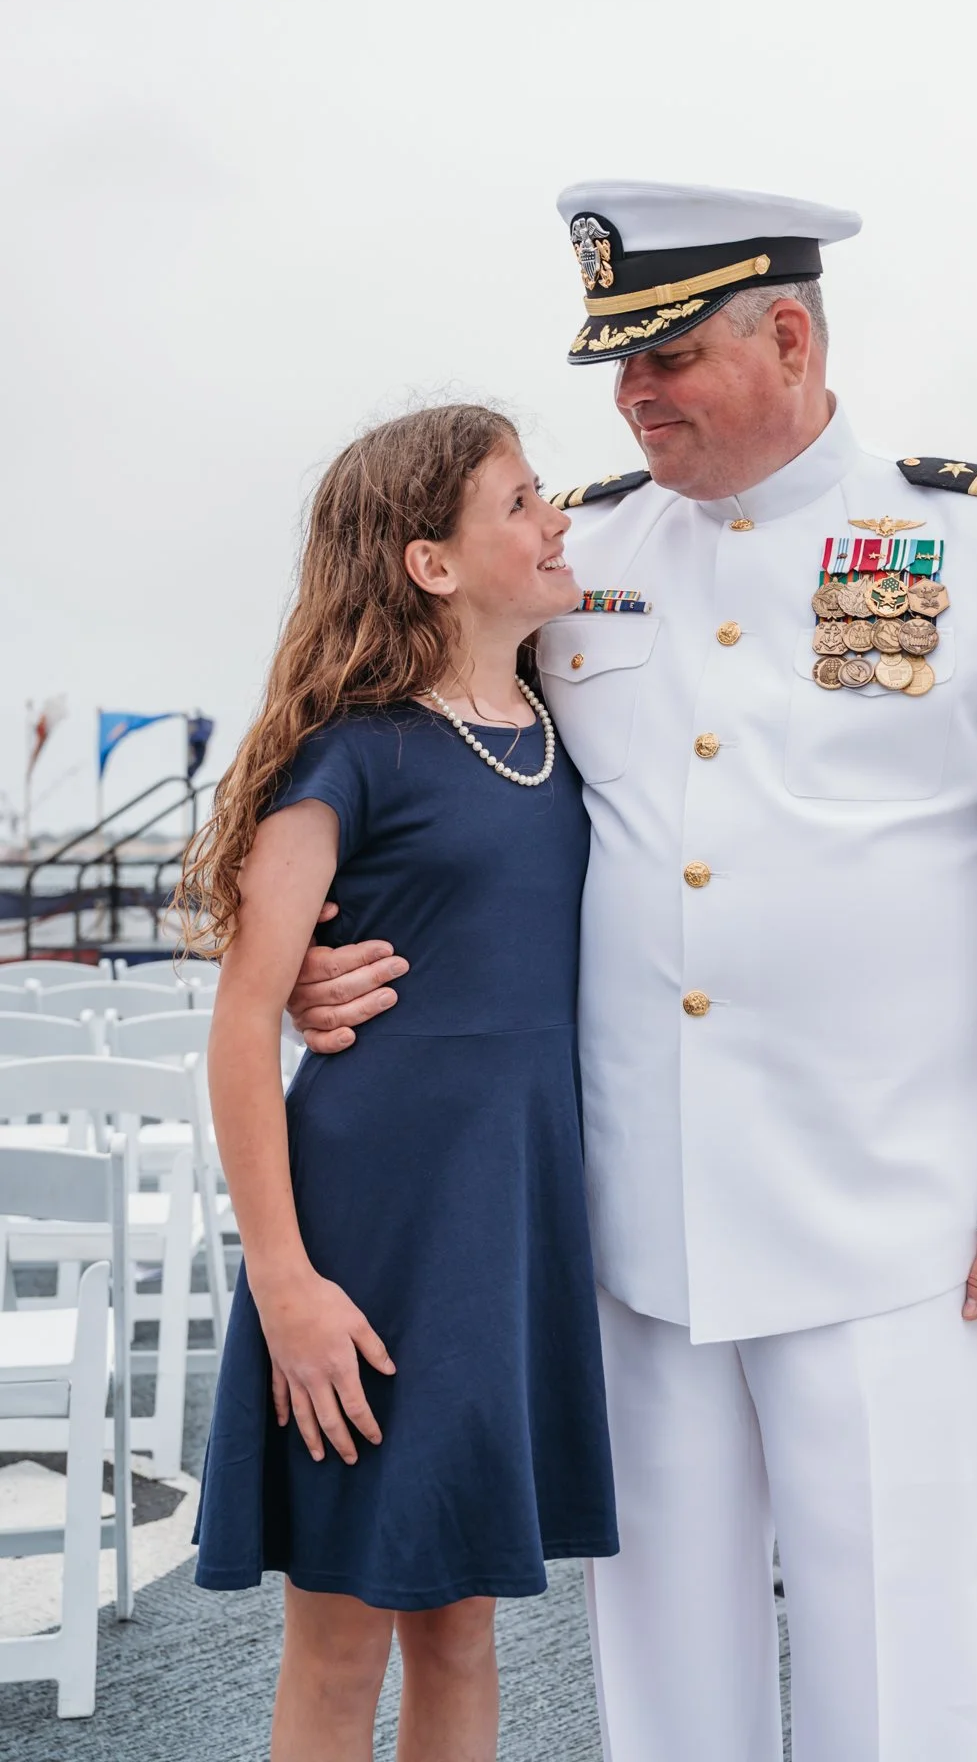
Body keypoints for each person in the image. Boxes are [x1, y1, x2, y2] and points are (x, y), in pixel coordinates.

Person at [291, 183, 977, 1761]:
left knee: (891, 1668)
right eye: (615, 367)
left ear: (794, 334)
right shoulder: (585, 550)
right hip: (641, 1221)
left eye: (666, 355)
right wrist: (305, 958)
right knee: (668, 1690)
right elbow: (408, 741)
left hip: (894, 1215)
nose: (630, 396)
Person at [180, 404, 618, 1762]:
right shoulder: (349, 756)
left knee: (463, 1624)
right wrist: (286, 1284)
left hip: (506, 1232)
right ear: (432, 563)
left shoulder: (568, 729)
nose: (558, 520)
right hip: (365, 1235)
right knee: (341, 1635)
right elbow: (245, 1021)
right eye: (521, 502)